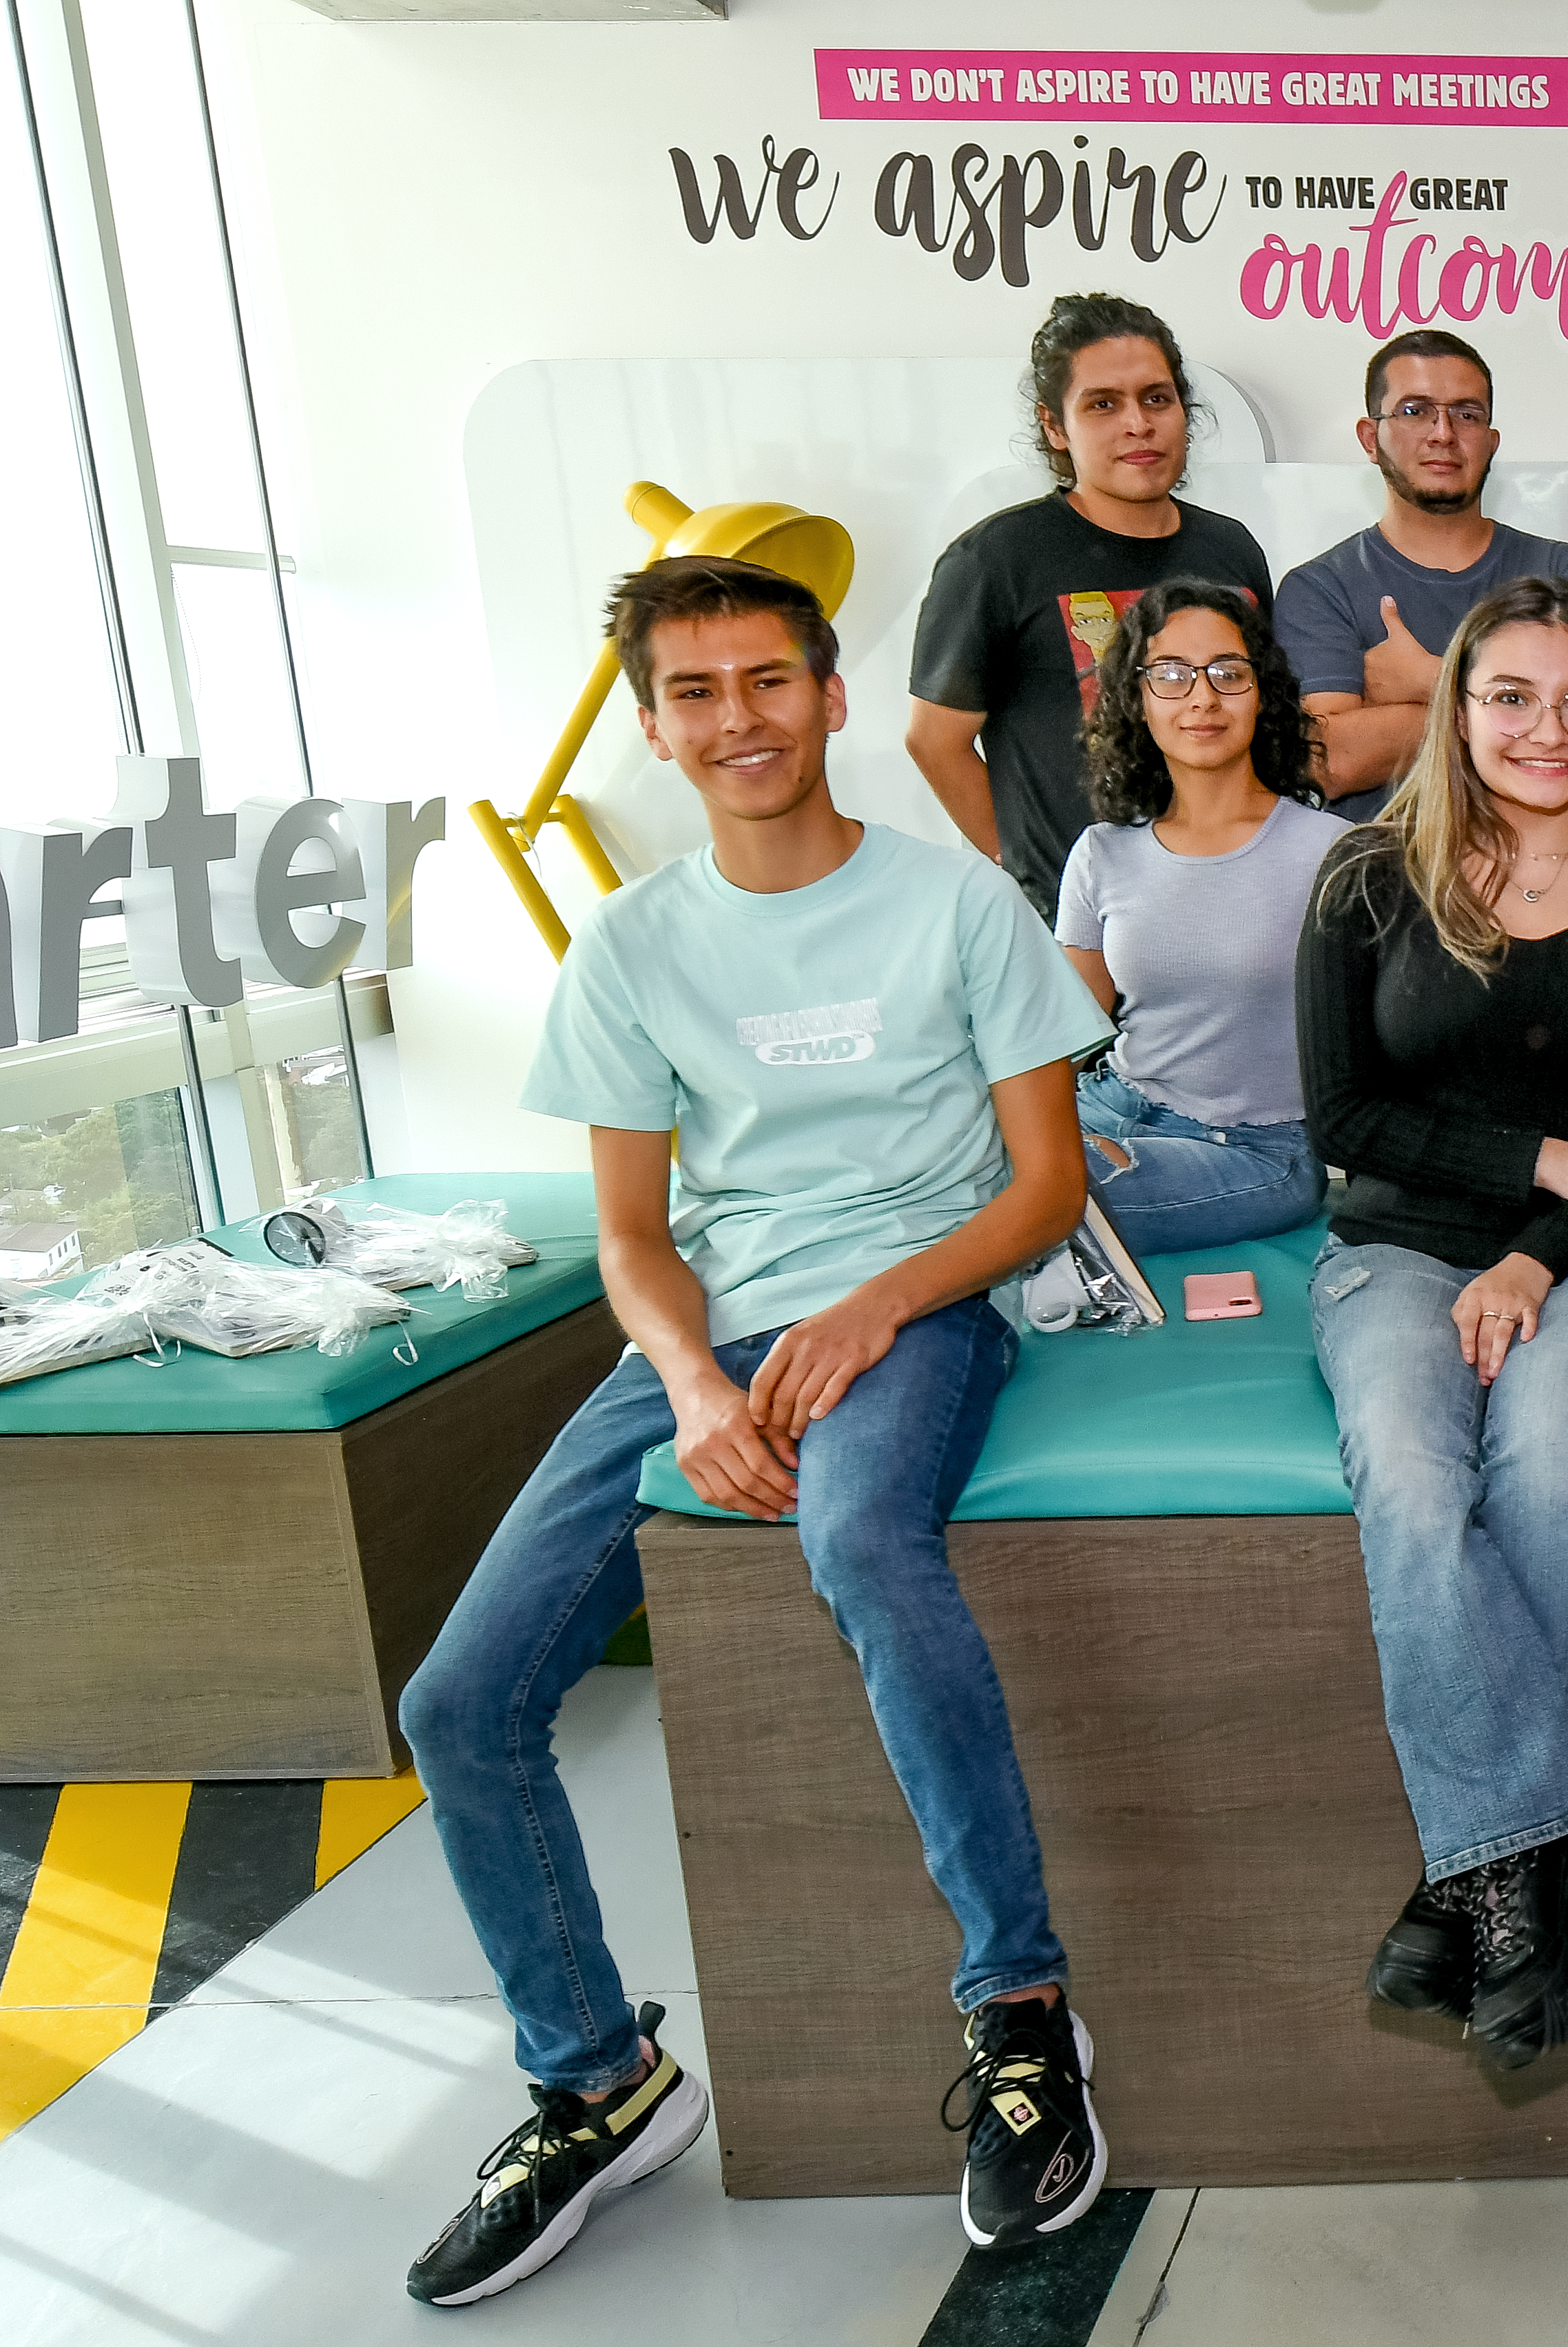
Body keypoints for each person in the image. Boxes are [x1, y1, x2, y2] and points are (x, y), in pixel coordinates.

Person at [396, 557, 1115, 2304]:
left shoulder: (956, 907)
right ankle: (594, 2077)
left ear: (833, 693)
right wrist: (702, 1384)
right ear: (655, 726)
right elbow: (634, 1245)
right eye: (698, 692)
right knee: (458, 1700)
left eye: (769, 680)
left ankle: (1023, 2012)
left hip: (923, 1306)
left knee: (860, 1535)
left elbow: (1047, 1185)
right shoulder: (633, 944)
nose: (740, 718)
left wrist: (876, 1303)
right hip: (706, 1341)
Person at [1297, 575, 1568, 2069]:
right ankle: (1542, 1866)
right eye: (1511, 695)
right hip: (1394, 1251)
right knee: (1415, 1482)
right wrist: (1540, 1162)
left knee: (1549, 1468)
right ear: (1457, 707)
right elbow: (1345, 1119)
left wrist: (1540, 1252)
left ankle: (1471, 1874)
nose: (1546, 729)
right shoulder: (1363, 877)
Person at [911, 292, 1278, 916]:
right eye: (1103, 404)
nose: (1138, 423)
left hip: (1233, 905)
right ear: (1055, 426)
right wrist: (1030, 871)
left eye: (1156, 398)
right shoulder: (997, 559)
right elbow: (935, 741)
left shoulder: (1231, 548)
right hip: (1082, 934)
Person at [1053, 580, 1349, 1256]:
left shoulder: (1329, 851)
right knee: (957, 1168)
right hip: (1117, 1107)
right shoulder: (1102, 851)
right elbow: (1059, 1039)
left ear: (1262, 691)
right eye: (1172, 674)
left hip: (1260, 1151)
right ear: (1136, 697)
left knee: (1047, 1198)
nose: (1202, 697)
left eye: (1227, 672)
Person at [1272, 329, 1568, 822]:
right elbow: (1333, 762)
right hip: (1382, 882)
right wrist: (1525, 712)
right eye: (1415, 411)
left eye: (1466, 413)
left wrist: (1427, 681)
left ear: (1491, 441)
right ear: (1370, 438)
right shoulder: (1319, 588)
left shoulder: (1562, 571)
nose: (1443, 433)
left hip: (1550, 879)